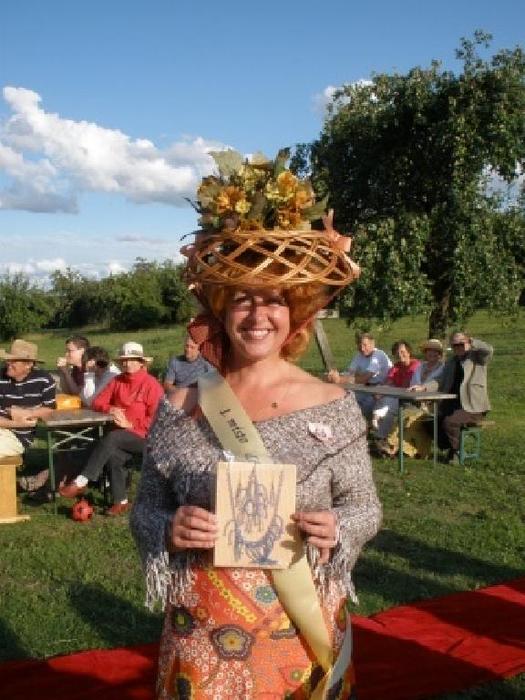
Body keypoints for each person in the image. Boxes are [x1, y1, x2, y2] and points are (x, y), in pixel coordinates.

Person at [130, 184, 381, 697]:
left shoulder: (332, 403)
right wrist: (170, 527)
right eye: (242, 300)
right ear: (222, 312)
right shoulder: (181, 404)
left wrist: (338, 526)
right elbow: (145, 509)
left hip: (302, 620)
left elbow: (365, 506)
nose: (257, 316)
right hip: (201, 627)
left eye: (273, 301)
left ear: (295, 314)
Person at [59, 342, 163, 515]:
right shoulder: (117, 380)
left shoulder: (151, 385)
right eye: (124, 360)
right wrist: (111, 409)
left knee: (113, 438)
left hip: (146, 437)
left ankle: (81, 481)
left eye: (132, 360)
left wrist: (131, 424)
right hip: (120, 436)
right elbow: (97, 402)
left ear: (141, 362)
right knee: (115, 454)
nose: (127, 364)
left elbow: (158, 419)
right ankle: (120, 501)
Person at [426, 331, 493, 462]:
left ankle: (456, 452)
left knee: (450, 422)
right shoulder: (451, 362)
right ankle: (449, 447)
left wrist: (472, 342)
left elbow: (489, 350)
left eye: (461, 344)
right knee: (429, 422)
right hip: (452, 404)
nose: (458, 347)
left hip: (473, 407)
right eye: (455, 345)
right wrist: (423, 387)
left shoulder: (477, 357)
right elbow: (440, 380)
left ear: (468, 343)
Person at [386, 338, 445, 458]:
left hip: (433, 405)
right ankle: (397, 447)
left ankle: (401, 448)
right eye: (429, 351)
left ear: (439, 354)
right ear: (425, 353)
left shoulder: (443, 368)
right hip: (416, 402)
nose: (432, 353)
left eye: (435, 351)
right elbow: (413, 384)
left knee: (410, 419)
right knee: (401, 417)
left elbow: (438, 385)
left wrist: (422, 390)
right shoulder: (420, 367)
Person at [0, 339, 56, 458]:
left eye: (14, 361)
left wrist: (27, 413)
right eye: (8, 359)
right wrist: (16, 423)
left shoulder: (44, 380)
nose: (8, 363)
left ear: (29, 364)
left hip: (17, 438)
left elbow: (50, 410)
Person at [326, 331, 392, 419]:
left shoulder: (378, 355)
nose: (362, 349)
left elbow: (364, 378)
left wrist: (339, 379)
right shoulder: (359, 355)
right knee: (342, 399)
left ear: (372, 343)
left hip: (381, 391)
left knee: (360, 408)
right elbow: (350, 372)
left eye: (365, 345)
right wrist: (335, 375)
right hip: (366, 389)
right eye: (360, 346)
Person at [371, 340, 420, 456]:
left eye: (402, 352)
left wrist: (385, 391)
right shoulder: (397, 366)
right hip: (397, 398)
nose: (400, 355)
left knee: (389, 401)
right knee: (388, 407)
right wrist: (381, 390)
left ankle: (376, 420)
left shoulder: (415, 365)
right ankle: (380, 438)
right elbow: (389, 380)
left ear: (409, 352)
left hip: (411, 400)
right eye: (397, 353)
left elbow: (406, 385)